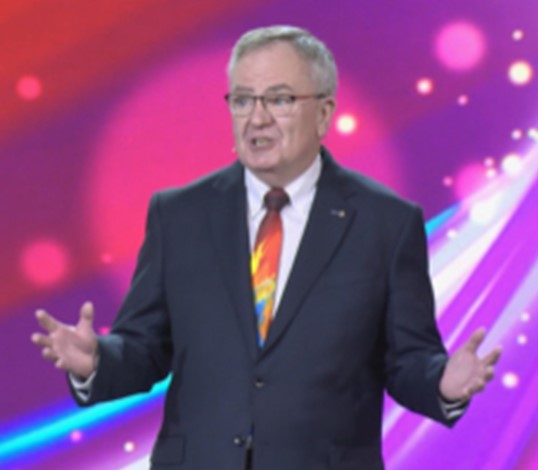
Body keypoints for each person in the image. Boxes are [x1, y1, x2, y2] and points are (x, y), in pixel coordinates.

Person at [32, 25, 501, 470]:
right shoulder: (178, 216)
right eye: (242, 100)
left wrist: (443, 384)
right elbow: (145, 347)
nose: (257, 118)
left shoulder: (386, 224)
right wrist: (96, 362)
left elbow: (407, 359)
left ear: (324, 113)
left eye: (279, 99)